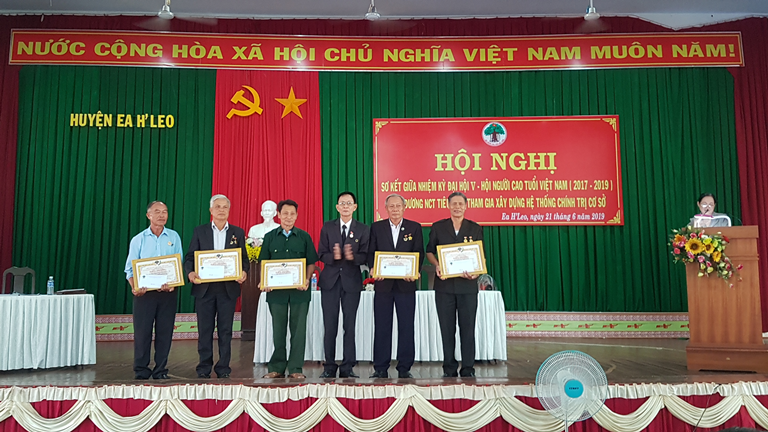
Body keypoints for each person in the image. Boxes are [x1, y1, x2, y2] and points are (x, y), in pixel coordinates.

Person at [184, 194, 249, 379]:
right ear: (211, 210)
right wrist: (190, 273)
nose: (221, 210)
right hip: (204, 289)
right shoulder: (200, 231)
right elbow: (190, 258)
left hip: (228, 290)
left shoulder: (237, 232)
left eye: (225, 207)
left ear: (229, 210)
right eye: (218, 207)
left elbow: (244, 259)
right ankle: (204, 368)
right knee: (205, 330)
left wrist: (243, 272)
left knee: (225, 330)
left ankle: (223, 368)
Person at [426, 192, 484, 378]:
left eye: (460, 204)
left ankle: (468, 368)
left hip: (467, 287)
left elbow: (480, 255)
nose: (457, 207)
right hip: (444, 287)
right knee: (447, 329)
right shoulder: (438, 227)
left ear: (466, 206)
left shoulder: (475, 228)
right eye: (454, 204)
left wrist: (476, 272)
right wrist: (437, 265)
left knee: (468, 329)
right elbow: (429, 251)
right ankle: (449, 368)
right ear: (448, 205)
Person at [124, 201, 183, 380]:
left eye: (165, 211)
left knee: (165, 332)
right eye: (157, 212)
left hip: (168, 294)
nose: (161, 215)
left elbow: (178, 264)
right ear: (148, 215)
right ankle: (141, 370)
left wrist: (174, 283)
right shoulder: (138, 239)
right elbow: (129, 269)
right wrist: (135, 287)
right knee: (142, 333)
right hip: (144, 294)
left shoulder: (174, 236)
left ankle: (160, 370)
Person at [260, 199, 319, 379]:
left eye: (292, 214)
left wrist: (306, 279)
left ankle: (295, 368)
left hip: (300, 292)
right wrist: (264, 281)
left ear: (297, 216)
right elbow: (264, 262)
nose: (288, 217)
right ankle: (276, 367)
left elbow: (311, 262)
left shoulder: (304, 237)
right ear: (278, 215)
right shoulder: (270, 237)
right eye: (285, 213)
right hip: (276, 293)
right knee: (278, 330)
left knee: (298, 331)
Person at [367, 193, 424, 379]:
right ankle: (380, 367)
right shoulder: (377, 227)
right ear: (386, 208)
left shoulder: (414, 227)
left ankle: (404, 367)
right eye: (391, 206)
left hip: (406, 286)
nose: (395, 209)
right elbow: (371, 252)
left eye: (398, 206)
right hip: (383, 285)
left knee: (406, 326)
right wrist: (373, 268)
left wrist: (414, 271)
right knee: (382, 326)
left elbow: (419, 253)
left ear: (404, 207)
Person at [317, 192, 370, 378]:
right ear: (337, 207)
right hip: (330, 283)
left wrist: (352, 257)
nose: (345, 206)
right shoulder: (327, 227)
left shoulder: (363, 229)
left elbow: (366, 255)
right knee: (330, 325)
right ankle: (329, 366)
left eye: (349, 203)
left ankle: (348, 366)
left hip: (351, 283)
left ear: (355, 207)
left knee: (350, 325)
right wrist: (335, 256)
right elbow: (321, 253)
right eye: (342, 203)